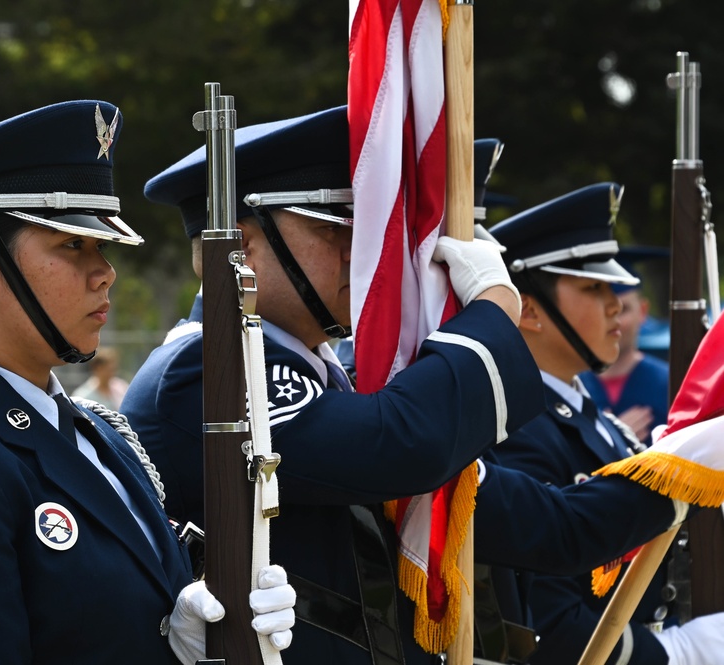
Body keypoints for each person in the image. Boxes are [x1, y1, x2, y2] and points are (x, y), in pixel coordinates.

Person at [122, 108, 717, 665]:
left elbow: (552, 528)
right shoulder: (204, 371)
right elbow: (399, 447)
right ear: (242, 245)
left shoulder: (334, 381)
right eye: (341, 229)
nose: (370, 255)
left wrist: (679, 467)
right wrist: (491, 307)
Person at [0, 100, 296, 664]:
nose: (104, 270)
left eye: (101, 246)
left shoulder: (96, 429)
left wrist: (182, 633)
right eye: (72, 244)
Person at [488, 185, 724, 665]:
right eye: (593, 288)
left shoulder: (593, 420)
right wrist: (670, 656)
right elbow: (545, 622)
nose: (616, 304)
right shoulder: (517, 431)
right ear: (528, 309)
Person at [579, 247, 671, 444]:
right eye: (602, 309)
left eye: (623, 309)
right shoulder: (572, 387)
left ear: (643, 311)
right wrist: (613, 439)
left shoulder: (672, 385)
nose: (614, 320)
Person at [71, 345, 130, 410]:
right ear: (97, 368)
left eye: (114, 369)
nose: (113, 372)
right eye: (109, 369)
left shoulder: (122, 387)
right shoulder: (82, 395)